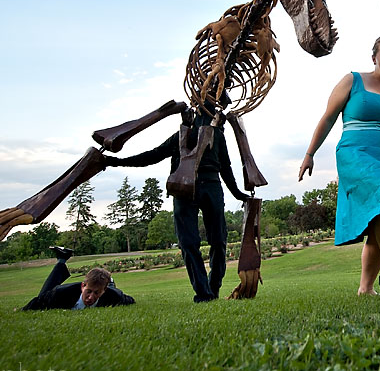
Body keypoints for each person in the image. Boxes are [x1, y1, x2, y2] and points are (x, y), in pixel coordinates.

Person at [298, 34, 380, 298]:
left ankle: (366, 288)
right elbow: (328, 118)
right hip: (355, 152)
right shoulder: (353, 80)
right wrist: (309, 153)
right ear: (374, 58)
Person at [105, 108, 251, 302]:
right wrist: (116, 162)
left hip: (211, 186)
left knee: (218, 240)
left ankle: (212, 288)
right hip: (183, 186)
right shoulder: (182, 136)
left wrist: (238, 193)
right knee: (188, 243)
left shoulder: (217, 136)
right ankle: (204, 292)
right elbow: (153, 155)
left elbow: (225, 167)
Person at [22, 246, 134, 311]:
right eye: (88, 291)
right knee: (44, 295)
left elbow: (130, 301)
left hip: (108, 288)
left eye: (96, 293)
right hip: (59, 293)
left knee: (109, 287)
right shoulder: (61, 293)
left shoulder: (114, 296)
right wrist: (22, 310)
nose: (91, 297)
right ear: (83, 286)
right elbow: (37, 302)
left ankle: (109, 283)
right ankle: (62, 259)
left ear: (103, 292)